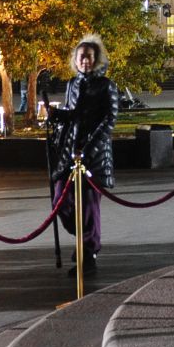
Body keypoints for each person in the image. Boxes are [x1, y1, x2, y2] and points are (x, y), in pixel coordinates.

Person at [48, 35, 119, 255]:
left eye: (89, 57)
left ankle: (89, 250)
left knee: (89, 206)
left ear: (96, 59)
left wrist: (88, 149)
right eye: (81, 57)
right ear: (75, 60)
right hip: (70, 152)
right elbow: (74, 115)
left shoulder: (106, 86)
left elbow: (110, 120)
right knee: (60, 201)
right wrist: (56, 115)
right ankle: (83, 236)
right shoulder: (72, 84)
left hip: (94, 155)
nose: (85, 61)